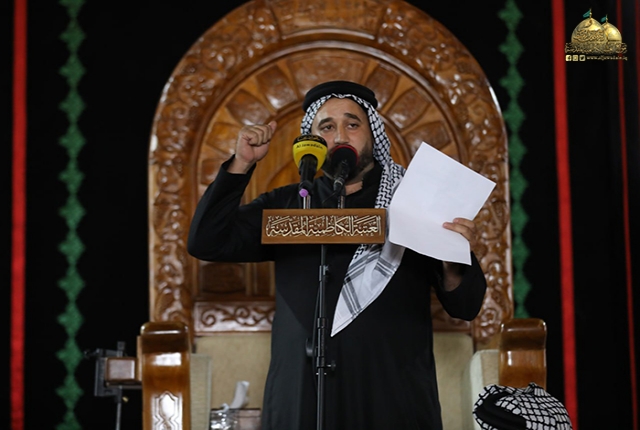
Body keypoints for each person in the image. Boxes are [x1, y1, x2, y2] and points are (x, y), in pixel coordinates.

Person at [187, 80, 487, 430]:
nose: (341, 136)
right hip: (302, 396)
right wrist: (241, 163)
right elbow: (206, 241)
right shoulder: (289, 205)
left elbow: (466, 306)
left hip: (392, 396)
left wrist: (453, 258)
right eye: (327, 128)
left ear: (373, 134)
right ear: (312, 142)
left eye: (352, 124)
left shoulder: (412, 204)